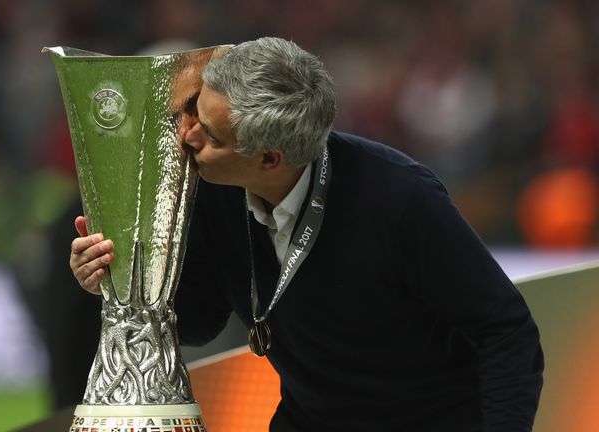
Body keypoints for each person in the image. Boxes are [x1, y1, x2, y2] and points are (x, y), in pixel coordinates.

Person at [69, 37, 543, 432]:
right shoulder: (214, 188)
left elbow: (505, 331)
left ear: (270, 158)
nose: (187, 137)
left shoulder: (400, 199)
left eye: (210, 134)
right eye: (194, 113)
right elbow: (198, 322)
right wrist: (117, 280)